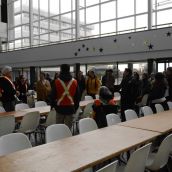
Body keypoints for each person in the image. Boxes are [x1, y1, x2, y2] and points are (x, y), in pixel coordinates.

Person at [50, 64, 80, 129]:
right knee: (68, 130)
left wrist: (53, 106)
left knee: (59, 129)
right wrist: (75, 108)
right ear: (69, 70)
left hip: (59, 108)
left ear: (61, 70)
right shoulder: (75, 82)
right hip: (70, 109)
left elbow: (52, 96)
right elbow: (77, 97)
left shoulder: (57, 81)